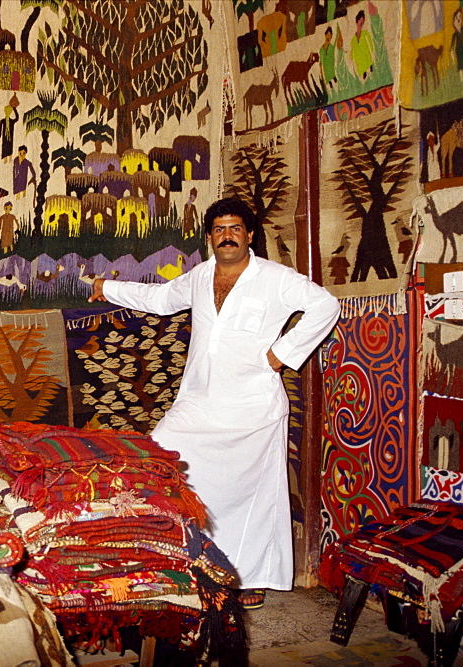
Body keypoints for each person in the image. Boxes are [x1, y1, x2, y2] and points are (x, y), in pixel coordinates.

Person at [88, 197, 340, 610]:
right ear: (210, 237)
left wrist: (283, 353)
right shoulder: (201, 275)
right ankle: (186, 560)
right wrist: (107, 288)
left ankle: (249, 578)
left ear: (249, 235)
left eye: (235, 228)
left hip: (253, 406)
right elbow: (162, 298)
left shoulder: (275, 278)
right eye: (219, 229)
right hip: (199, 401)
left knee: (254, 496)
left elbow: (324, 305)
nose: (227, 236)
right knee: (162, 457)